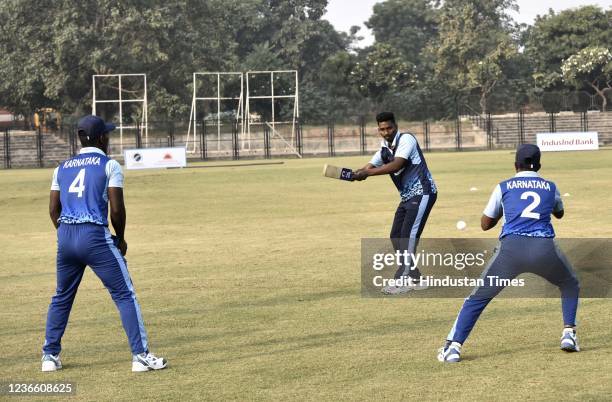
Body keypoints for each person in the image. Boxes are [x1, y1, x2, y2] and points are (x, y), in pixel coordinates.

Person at [42, 115, 167, 372]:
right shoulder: (109, 165)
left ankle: (49, 356)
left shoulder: (61, 167)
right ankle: (140, 356)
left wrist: (67, 233)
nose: (108, 138)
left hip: (66, 236)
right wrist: (119, 239)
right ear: (100, 138)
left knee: (61, 297)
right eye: (107, 135)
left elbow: (53, 209)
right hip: (94, 237)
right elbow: (117, 210)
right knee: (124, 294)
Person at [437, 144, 580, 363]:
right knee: (569, 283)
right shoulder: (550, 187)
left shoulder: (504, 186)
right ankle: (569, 333)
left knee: (478, 297)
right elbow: (559, 213)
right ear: (539, 165)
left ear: (515, 165)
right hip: (544, 249)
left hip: (511, 250)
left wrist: (502, 214)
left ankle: (453, 348)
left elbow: (485, 224)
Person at [353, 112, 437, 294]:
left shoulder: (407, 139)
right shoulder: (385, 148)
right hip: (407, 197)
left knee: (407, 237)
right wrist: (354, 174)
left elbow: (396, 165)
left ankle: (402, 280)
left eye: (389, 128)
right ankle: (416, 278)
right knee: (396, 235)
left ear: (395, 126)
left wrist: (366, 174)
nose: (386, 132)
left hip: (423, 193)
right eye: (382, 129)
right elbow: (368, 167)